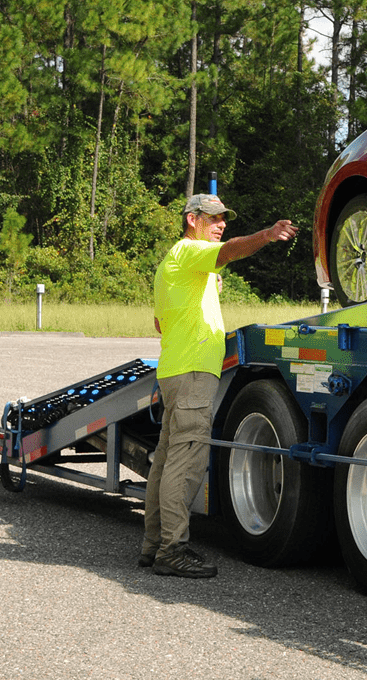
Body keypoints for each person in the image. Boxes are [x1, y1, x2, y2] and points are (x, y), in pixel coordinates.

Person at [139, 193, 298, 578]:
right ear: (192, 219)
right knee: (186, 461)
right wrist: (266, 234)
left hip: (175, 371)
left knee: (164, 460)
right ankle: (172, 550)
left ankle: (153, 546)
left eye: (223, 218)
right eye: (213, 218)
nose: (221, 224)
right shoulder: (190, 251)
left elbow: (161, 324)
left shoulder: (170, 266)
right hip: (193, 373)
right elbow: (228, 251)